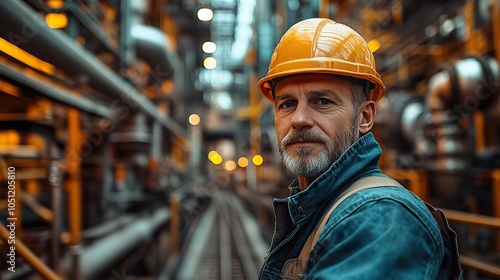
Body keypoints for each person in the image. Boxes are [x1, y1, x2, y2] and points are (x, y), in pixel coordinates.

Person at [257, 18, 462, 280]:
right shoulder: (319, 208)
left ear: (365, 117)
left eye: (322, 101)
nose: (298, 119)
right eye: (287, 104)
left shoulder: (382, 218)